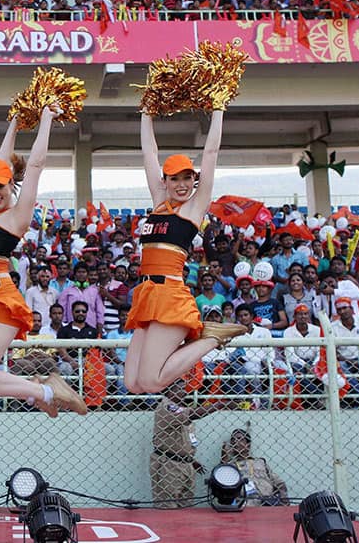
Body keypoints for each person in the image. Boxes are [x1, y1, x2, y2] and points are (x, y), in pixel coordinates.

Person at [0, 106, 86, 418]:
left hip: (0, 300)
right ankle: (41, 386)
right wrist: (14, 121)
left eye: (1, 186)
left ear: (12, 185)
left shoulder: (16, 216)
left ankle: (47, 390)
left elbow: (35, 164)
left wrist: (46, 118)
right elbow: (0, 159)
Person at [124, 110, 246, 394]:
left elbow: (211, 152)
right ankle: (206, 338)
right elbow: (148, 153)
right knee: (133, 383)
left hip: (170, 297)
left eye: (187, 178)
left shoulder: (194, 207)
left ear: (195, 180)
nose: (182, 185)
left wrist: (218, 111)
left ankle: (211, 338)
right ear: (164, 181)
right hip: (147, 296)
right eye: (175, 179)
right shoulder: (159, 203)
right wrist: (145, 113)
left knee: (152, 382)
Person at [150, 380, 227, 508]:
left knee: (186, 506)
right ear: (169, 391)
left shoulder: (181, 409)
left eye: (184, 389)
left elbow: (183, 439)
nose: (184, 392)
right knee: (168, 506)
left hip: (185, 464)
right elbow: (195, 414)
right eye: (179, 389)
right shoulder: (167, 407)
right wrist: (218, 405)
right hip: (169, 463)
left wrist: (190, 459)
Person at [223, 429, 289, 506]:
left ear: (248, 444)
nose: (235, 442)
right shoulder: (231, 466)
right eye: (233, 440)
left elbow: (279, 483)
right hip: (246, 504)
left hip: (268, 503)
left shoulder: (260, 462)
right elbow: (222, 483)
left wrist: (283, 502)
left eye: (240, 439)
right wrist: (224, 458)